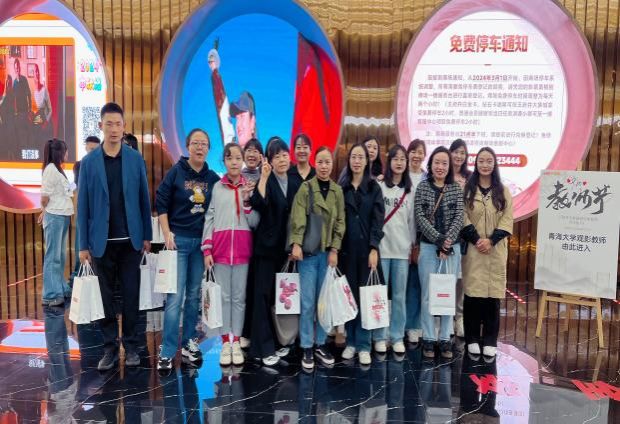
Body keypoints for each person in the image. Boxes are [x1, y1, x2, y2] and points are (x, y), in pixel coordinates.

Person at [77, 102, 152, 371]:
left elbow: (144, 199)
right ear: (101, 126)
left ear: (124, 127)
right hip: (101, 243)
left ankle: (131, 346)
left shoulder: (135, 159)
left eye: (118, 124)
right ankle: (109, 347)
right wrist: (82, 245)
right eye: (108, 124)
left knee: (131, 296)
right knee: (105, 298)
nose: (113, 129)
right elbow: (83, 206)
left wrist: (147, 235)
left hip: (131, 241)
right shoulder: (89, 163)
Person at [156, 128, 219, 371]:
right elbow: (161, 201)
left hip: (200, 244)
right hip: (179, 242)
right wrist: (166, 232)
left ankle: (189, 342)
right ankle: (167, 350)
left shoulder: (212, 178)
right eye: (196, 143)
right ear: (188, 146)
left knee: (193, 295)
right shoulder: (177, 171)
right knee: (175, 298)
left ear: (208, 148)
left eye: (204, 144)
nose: (200, 147)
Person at [202, 143, 258, 367]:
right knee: (224, 298)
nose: (234, 162)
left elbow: (255, 222)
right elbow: (210, 218)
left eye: (237, 157)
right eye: (229, 158)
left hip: (243, 251)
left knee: (239, 299)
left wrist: (247, 201)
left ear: (242, 160)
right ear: (224, 161)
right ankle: (226, 342)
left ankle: (237, 341)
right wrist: (207, 249)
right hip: (221, 251)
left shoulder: (250, 187)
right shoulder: (217, 188)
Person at [290, 146, 345, 370]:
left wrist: (335, 249)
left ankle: (320, 343)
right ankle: (306, 345)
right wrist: (296, 243)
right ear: (315, 163)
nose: (323, 166)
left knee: (324, 302)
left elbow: (340, 221)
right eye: (320, 162)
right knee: (307, 302)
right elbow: (297, 217)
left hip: (327, 254)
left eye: (327, 162)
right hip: (309, 254)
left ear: (332, 165)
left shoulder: (337, 191)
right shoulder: (306, 188)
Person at [248, 137, 302, 366]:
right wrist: (263, 177)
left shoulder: (295, 182)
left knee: (279, 298)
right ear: (269, 160)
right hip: (265, 249)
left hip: (285, 250)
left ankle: (280, 342)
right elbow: (257, 203)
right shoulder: (267, 180)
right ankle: (262, 348)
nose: (282, 159)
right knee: (262, 296)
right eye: (276, 156)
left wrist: (295, 244)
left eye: (284, 155)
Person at [461, 147, 513, 358]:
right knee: (473, 295)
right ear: (476, 163)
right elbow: (462, 217)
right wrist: (477, 240)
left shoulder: (503, 191)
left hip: (495, 250)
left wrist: (491, 241)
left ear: (494, 164)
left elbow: (507, 219)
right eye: (481, 160)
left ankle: (490, 339)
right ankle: (472, 338)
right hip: (474, 250)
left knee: (493, 297)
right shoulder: (468, 189)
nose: (485, 164)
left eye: (489, 161)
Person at [414, 146, 463, 359]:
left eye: (444, 163)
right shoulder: (422, 187)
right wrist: (439, 240)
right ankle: (428, 337)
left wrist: (447, 243)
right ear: (431, 164)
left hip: (452, 249)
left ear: (449, 166)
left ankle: (444, 338)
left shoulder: (455, 189)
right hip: (428, 247)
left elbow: (459, 217)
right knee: (427, 294)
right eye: (437, 162)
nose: (440, 166)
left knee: (446, 293)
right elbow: (420, 217)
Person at [338, 143, 384, 365]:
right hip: (346, 251)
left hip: (367, 251)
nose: (357, 161)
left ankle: (364, 344)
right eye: (353, 157)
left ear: (367, 161)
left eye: (361, 157)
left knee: (366, 298)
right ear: (349, 160)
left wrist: (374, 247)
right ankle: (351, 341)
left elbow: (378, 220)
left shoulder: (374, 188)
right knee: (349, 297)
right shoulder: (342, 187)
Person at [373, 145, 415, 354]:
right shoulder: (379, 186)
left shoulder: (410, 190)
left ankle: (397, 336)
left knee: (399, 296)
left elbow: (412, 222)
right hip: (382, 250)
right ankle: (380, 336)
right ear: (389, 162)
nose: (399, 162)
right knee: (380, 296)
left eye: (402, 159)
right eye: (395, 158)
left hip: (401, 251)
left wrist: (412, 246)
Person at [39, 138, 73, 306]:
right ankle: (50, 294)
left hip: (62, 215)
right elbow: (45, 196)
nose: (67, 154)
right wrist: (43, 211)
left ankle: (60, 288)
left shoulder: (58, 169)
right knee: (53, 256)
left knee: (60, 255)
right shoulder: (51, 169)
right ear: (59, 152)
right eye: (65, 151)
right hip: (54, 216)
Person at [239, 137, 263, 349]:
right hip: (240, 237)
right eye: (249, 150)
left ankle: (256, 331)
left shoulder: (266, 177)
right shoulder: (236, 177)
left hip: (261, 239)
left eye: (256, 150)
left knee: (257, 287)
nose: (252, 154)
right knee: (242, 289)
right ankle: (242, 332)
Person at [71, 135, 101, 283]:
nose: (92, 152)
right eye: (90, 149)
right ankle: (77, 278)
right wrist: (77, 213)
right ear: (85, 148)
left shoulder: (103, 164)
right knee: (81, 246)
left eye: (95, 149)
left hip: (98, 214)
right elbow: (77, 191)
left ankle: (93, 277)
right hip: (84, 213)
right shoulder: (80, 165)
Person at [448, 139, 471, 338]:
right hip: (446, 235)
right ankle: (445, 318)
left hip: (465, 235)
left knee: (461, 279)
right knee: (447, 277)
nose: (458, 156)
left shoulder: (470, 178)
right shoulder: (443, 174)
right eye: (455, 151)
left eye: (462, 152)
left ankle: (459, 317)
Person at [405, 139, 426, 343]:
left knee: (416, 284)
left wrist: (418, 241)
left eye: (420, 152)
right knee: (398, 285)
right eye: (413, 151)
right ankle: (397, 324)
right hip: (399, 238)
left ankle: (413, 324)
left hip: (421, 240)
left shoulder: (428, 179)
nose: (416, 155)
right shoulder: (399, 176)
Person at [33, 64, 52, 141]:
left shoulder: (44, 90)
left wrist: (46, 122)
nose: (37, 73)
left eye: (38, 71)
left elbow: (50, 110)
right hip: (40, 119)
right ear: (33, 75)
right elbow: (38, 110)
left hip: (46, 121)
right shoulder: (35, 93)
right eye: (35, 71)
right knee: (33, 129)